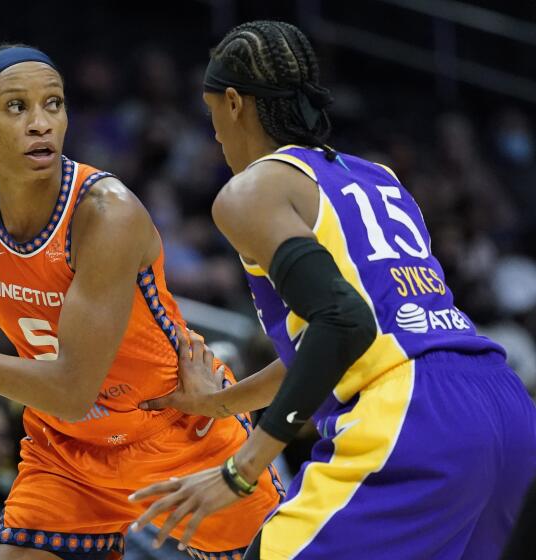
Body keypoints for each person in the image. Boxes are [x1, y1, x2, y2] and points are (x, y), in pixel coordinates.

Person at [0, 44, 284, 558]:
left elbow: (70, 390)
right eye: (17, 107)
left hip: (176, 427)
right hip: (69, 448)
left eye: (53, 104)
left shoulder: (106, 214)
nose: (41, 123)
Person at [128, 20, 536, 559]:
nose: (216, 134)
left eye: (211, 116)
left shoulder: (250, 191)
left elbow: (344, 323)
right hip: (506, 407)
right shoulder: (380, 178)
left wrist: (241, 470)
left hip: (412, 415)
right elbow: (350, 335)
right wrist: (221, 403)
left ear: (233, 103)